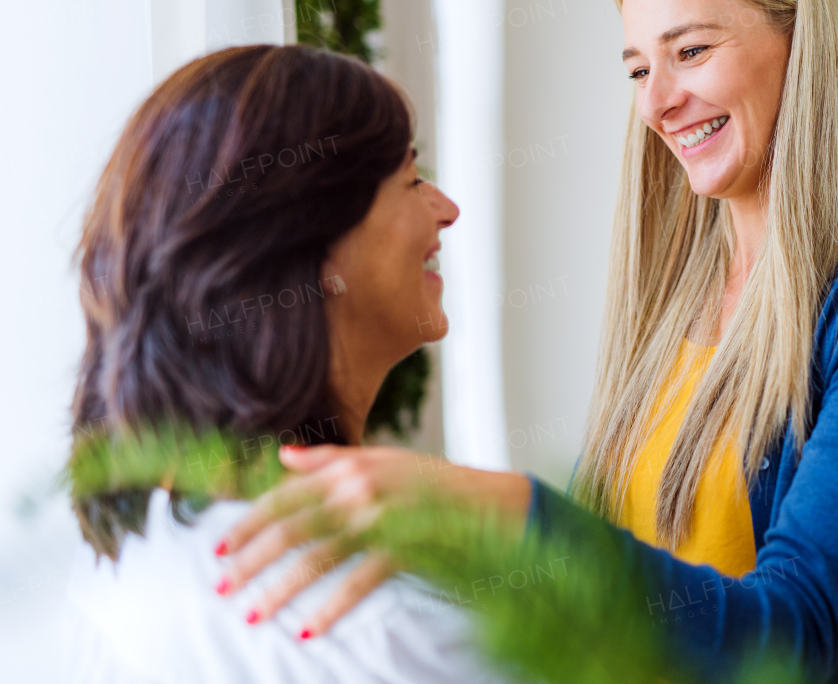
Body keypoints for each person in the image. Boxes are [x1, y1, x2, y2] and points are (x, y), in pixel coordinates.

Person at [219, 0, 838, 683]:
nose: (657, 103)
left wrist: (506, 507)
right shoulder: (668, 288)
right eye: (638, 67)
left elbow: (786, 638)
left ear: (805, 41)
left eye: (690, 51)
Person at [63, 44, 507, 683]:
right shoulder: (383, 629)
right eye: (411, 179)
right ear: (316, 242)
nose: (446, 209)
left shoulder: (122, 560)